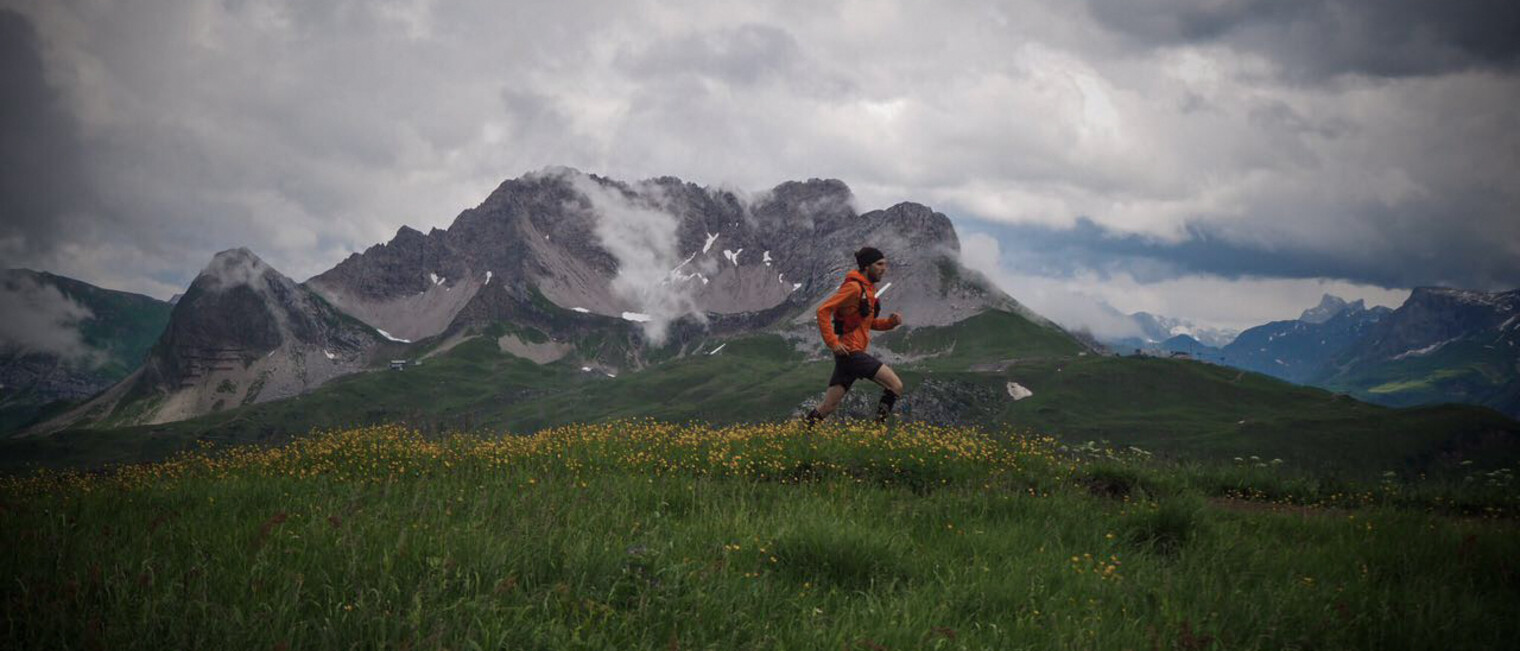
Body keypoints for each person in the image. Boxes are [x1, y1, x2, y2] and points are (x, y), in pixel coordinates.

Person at [804, 246, 905, 426]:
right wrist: (832, 342)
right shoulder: (853, 287)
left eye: (885, 264)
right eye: (879, 264)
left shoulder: (869, 290)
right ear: (867, 266)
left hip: (847, 356)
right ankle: (877, 433)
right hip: (851, 352)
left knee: (828, 406)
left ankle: (803, 433)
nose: (884, 268)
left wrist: (891, 323)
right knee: (895, 385)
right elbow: (822, 311)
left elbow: (870, 323)